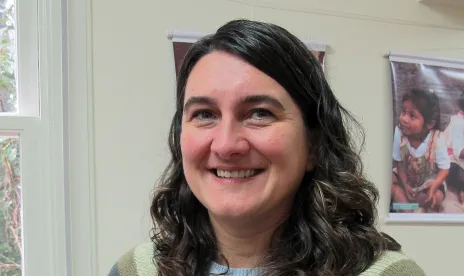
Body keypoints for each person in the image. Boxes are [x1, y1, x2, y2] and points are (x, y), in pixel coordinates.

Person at [109, 19, 425, 275]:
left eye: (260, 113)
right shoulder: (138, 269)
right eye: (205, 114)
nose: (226, 145)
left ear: (314, 143)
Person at [390, 89, 450, 213]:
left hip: (426, 185)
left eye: (412, 115)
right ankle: (409, 209)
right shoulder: (399, 133)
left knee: (437, 196)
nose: (404, 119)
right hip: (405, 180)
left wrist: (435, 184)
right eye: (403, 112)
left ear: (429, 124)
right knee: (389, 182)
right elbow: (399, 163)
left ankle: (418, 208)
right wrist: (405, 185)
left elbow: (444, 169)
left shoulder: (437, 139)